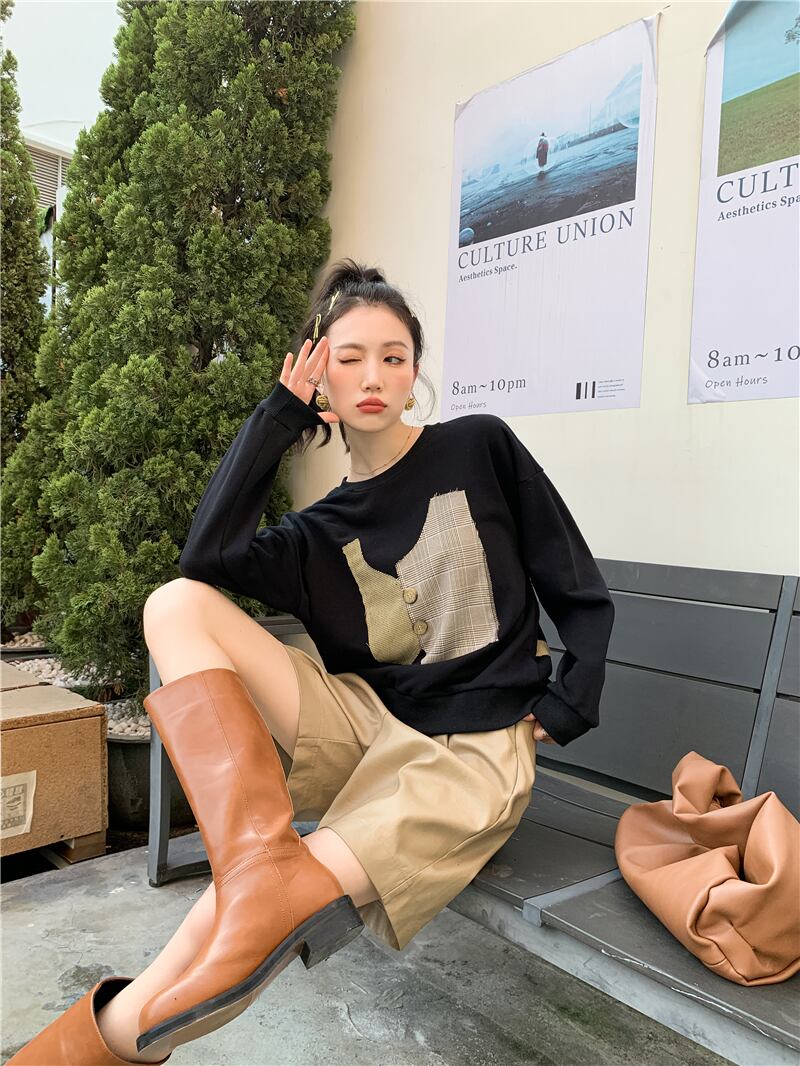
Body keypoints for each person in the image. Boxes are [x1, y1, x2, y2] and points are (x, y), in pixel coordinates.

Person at [9, 260, 615, 1065]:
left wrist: (569, 701)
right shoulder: (317, 531)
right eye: (349, 357)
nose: (374, 376)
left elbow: (574, 580)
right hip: (367, 726)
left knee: (264, 912)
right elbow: (206, 556)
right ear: (319, 376)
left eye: (394, 357)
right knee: (175, 604)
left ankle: (77, 1051)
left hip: (468, 756)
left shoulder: (478, 447)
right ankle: (252, 864)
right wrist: (277, 417)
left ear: (414, 372)